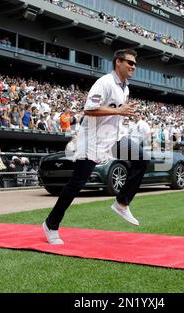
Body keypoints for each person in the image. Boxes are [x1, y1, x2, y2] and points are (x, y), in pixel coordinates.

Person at [42, 49, 148, 245]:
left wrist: (122, 113)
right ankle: (51, 224)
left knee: (141, 158)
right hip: (93, 140)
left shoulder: (125, 87)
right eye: (130, 62)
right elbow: (89, 110)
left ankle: (122, 203)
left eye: (135, 64)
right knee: (77, 184)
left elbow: (114, 113)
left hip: (113, 137)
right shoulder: (105, 82)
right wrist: (119, 110)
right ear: (118, 62)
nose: (133, 66)